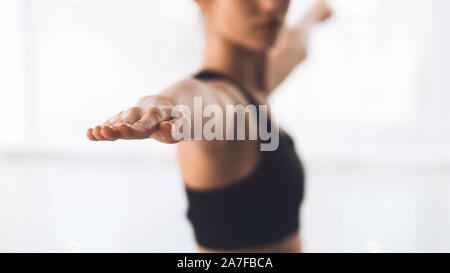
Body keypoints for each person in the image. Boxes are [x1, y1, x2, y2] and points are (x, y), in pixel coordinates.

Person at [86, 0, 332, 253]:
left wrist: (313, 14)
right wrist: (166, 103)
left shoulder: (257, 84)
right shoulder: (225, 104)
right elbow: (199, 100)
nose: (271, 6)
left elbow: (296, 45)